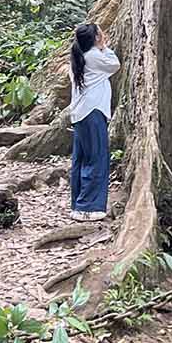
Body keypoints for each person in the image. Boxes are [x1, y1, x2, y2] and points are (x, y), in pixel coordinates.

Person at [69, 22, 119, 223]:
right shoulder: (95, 56)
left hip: (80, 113)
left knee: (81, 159)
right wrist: (104, 46)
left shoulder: (78, 57)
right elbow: (115, 64)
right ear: (96, 38)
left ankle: (78, 205)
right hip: (93, 112)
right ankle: (89, 207)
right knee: (96, 158)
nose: (104, 35)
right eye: (101, 34)